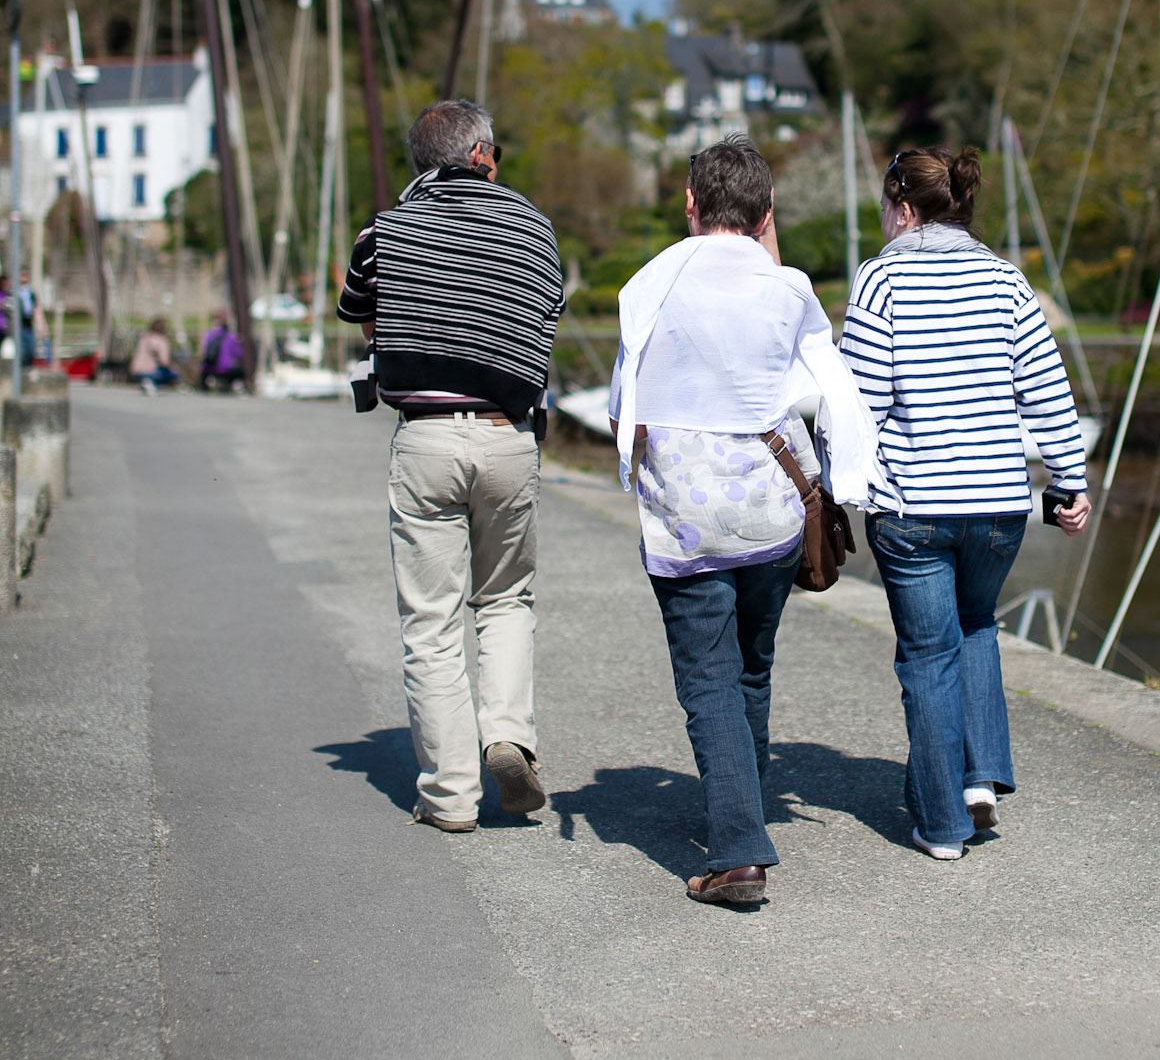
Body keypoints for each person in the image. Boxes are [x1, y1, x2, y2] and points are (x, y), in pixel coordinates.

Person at [611, 137, 878, 907]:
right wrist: (856, 483)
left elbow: (622, 399)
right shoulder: (789, 288)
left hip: (685, 514)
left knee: (708, 677)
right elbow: (830, 391)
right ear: (767, 215)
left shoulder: (649, 286)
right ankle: (745, 804)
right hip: (771, 509)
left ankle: (736, 850)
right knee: (750, 665)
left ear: (688, 205)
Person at [839, 145, 1090, 861]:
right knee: (975, 625)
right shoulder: (1007, 282)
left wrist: (841, 487)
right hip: (997, 505)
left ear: (903, 207)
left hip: (913, 505)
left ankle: (942, 824)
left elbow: (861, 400)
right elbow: (1046, 391)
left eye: (884, 207)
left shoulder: (881, 280)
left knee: (926, 655)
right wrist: (1068, 485)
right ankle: (979, 779)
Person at [338, 99, 564, 835]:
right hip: (507, 436)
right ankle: (506, 734)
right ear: (483, 156)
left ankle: (448, 796)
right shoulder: (532, 225)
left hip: (427, 437)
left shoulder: (385, 229)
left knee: (431, 624)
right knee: (504, 600)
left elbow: (363, 315)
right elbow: (542, 318)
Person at [130, 318, 179, 393]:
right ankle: (151, 383)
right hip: (152, 372)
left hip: (135, 371)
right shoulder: (162, 341)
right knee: (173, 374)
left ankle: (146, 382)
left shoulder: (144, 338)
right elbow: (165, 362)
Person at [200, 315, 246, 392]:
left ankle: (205, 389)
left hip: (208, 367)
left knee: (204, 370)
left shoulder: (209, 335)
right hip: (226, 369)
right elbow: (239, 354)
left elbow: (204, 350)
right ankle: (227, 386)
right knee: (241, 372)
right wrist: (239, 343)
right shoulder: (231, 337)